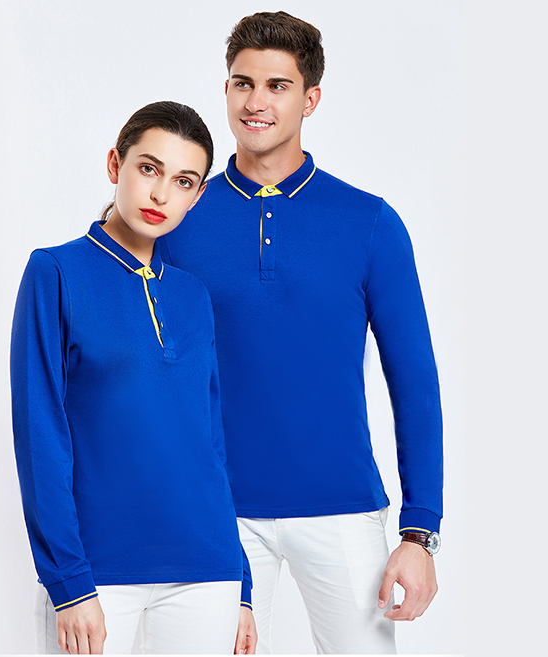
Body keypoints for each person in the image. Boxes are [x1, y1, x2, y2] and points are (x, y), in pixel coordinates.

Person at [159, 12, 442, 655]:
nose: (255, 102)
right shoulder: (179, 217)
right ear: (225, 89)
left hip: (342, 508)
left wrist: (420, 532)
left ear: (310, 99)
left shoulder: (368, 223)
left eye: (277, 86)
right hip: (214, 510)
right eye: (243, 83)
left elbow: (415, 382)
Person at [10, 101, 257, 655]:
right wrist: (69, 583)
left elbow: (210, 444)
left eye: (183, 181)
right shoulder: (55, 272)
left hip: (207, 570)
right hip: (97, 573)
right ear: (114, 164)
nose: (161, 194)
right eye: (149, 169)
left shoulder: (193, 295)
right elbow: (39, 435)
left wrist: (241, 583)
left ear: (197, 196)